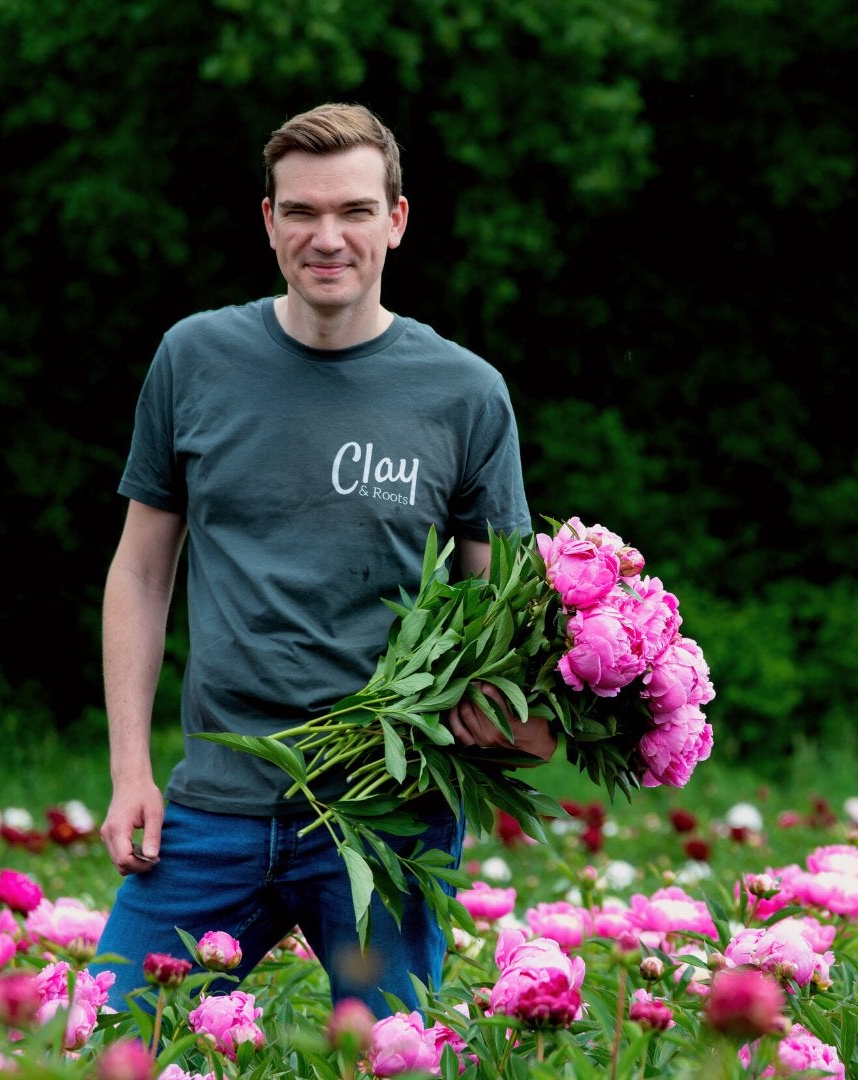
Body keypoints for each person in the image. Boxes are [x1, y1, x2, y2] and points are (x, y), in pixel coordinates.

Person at [94, 102, 556, 1018]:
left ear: (397, 219)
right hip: (213, 806)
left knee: (393, 1061)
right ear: (269, 222)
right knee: (109, 1038)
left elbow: (504, 605)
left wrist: (514, 708)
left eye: (352, 210)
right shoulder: (195, 359)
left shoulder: (464, 394)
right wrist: (129, 772)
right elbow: (141, 572)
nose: (327, 237)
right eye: (301, 211)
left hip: (386, 818)